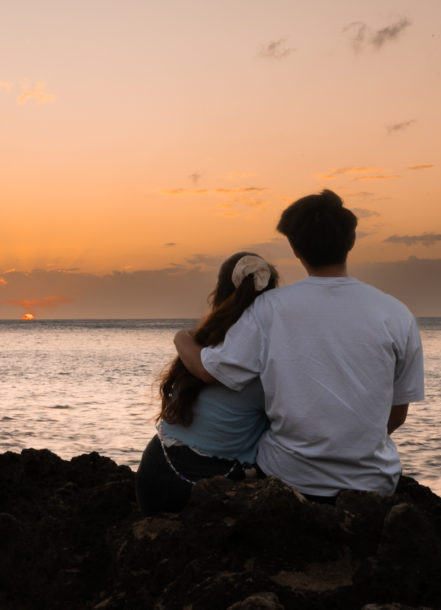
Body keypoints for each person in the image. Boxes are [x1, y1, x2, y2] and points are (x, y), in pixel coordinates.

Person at [174, 190, 424, 503]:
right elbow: (397, 415)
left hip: (291, 481)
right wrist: (348, 449)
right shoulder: (397, 314)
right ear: (351, 240)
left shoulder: (269, 308)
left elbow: (209, 371)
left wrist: (181, 338)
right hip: (374, 484)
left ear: (294, 247)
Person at [135, 251, 277, 515]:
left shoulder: (202, 344)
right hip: (210, 485)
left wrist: (182, 337)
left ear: (219, 294)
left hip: (156, 468)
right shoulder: (270, 352)